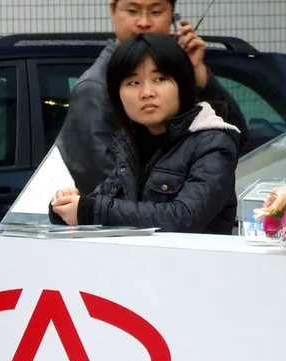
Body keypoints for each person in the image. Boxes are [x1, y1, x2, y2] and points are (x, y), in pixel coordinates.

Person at [50, 33, 240, 234]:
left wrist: (90, 210)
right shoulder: (132, 143)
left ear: (183, 85)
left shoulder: (213, 142)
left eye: (160, 79)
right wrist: (65, 205)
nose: (147, 92)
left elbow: (185, 217)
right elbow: (98, 203)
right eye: (133, 83)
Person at [56, 0, 248, 195]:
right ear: (113, 10)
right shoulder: (95, 88)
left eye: (156, 12)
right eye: (133, 11)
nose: (144, 22)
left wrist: (196, 75)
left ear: (172, 15)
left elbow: (234, 138)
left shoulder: (183, 73)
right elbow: (104, 189)